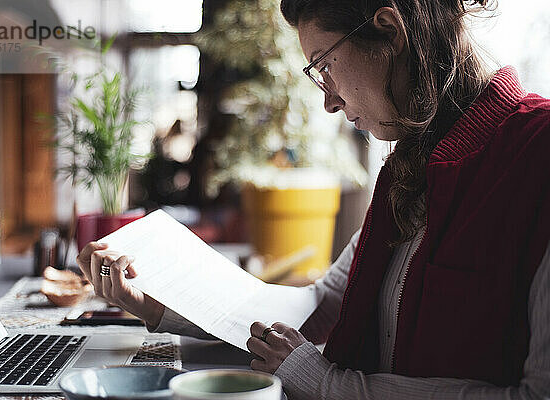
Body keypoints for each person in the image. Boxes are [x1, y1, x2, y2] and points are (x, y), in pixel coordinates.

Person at [77, 0, 550, 398]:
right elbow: (322, 304)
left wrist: (326, 384)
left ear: (388, 30)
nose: (329, 101)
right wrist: (158, 304)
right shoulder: (412, 165)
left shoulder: (537, 155)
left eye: (325, 64)